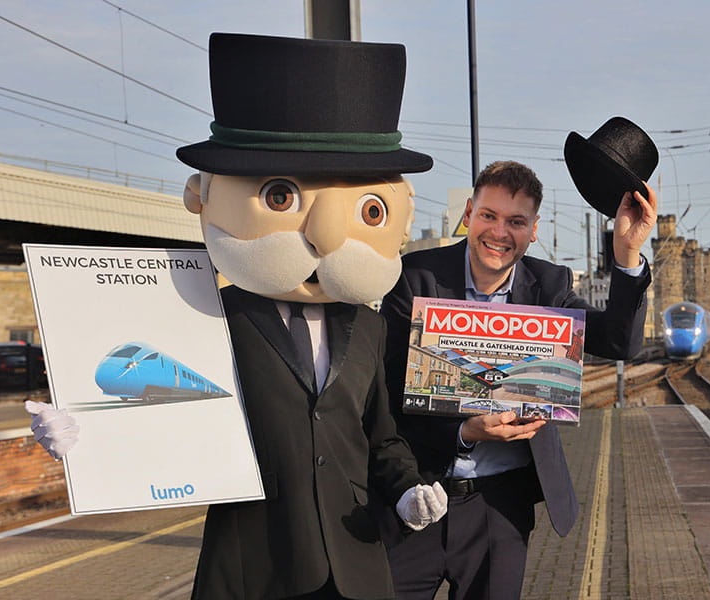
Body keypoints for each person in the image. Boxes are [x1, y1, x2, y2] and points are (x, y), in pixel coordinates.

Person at [27, 34, 448, 600]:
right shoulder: (206, 316)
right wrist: (85, 433)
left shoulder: (366, 325)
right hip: (257, 562)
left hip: (355, 561)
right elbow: (150, 403)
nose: (324, 236)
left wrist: (406, 490)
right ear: (201, 196)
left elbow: (381, 438)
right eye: (280, 197)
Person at [377, 159, 657, 599]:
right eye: (489, 215)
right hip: (416, 493)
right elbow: (389, 391)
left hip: (499, 508)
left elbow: (621, 343)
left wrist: (626, 254)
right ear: (468, 214)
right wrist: (463, 432)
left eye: (516, 221)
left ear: (534, 229)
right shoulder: (415, 278)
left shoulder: (549, 285)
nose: (499, 232)